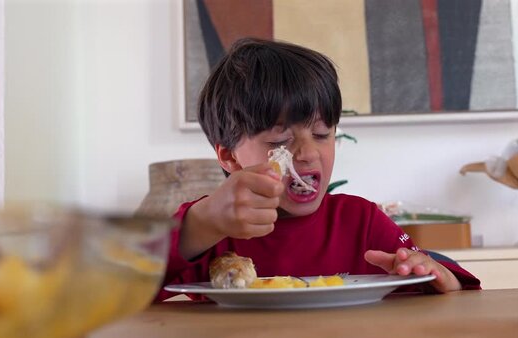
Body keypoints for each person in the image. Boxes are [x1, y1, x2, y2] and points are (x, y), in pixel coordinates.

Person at [157, 38, 480, 300]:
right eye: (280, 139)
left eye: (322, 134)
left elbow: (457, 294)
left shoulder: (360, 221)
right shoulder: (210, 229)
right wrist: (201, 223)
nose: (308, 153)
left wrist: (437, 277)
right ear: (229, 157)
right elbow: (118, 290)